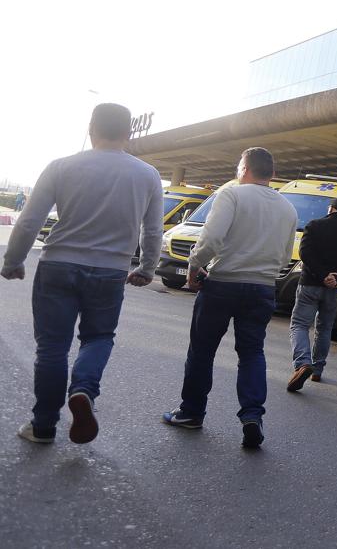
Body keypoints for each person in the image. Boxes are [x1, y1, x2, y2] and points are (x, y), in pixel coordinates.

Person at [2, 103, 163, 445]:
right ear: (129, 132)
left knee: (51, 349)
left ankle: (43, 426)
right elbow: (152, 231)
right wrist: (147, 268)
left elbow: (30, 220)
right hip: (111, 271)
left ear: (92, 128)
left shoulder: (61, 166)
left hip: (58, 264)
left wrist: (13, 261)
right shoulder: (147, 174)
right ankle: (84, 390)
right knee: (99, 338)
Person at [161, 148, 297, 449]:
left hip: (223, 284)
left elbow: (211, 238)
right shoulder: (288, 208)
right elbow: (286, 255)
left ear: (244, 169)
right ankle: (252, 416)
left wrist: (194, 267)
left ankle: (191, 413)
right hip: (262, 288)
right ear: (271, 173)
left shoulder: (232, 195)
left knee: (202, 351)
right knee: (251, 353)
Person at [286, 197, 337, 391]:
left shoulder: (314, 226)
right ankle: (317, 370)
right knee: (325, 327)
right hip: (334, 289)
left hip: (310, 284)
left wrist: (322, 275)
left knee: (299, 325)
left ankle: (303, 363)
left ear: (331, 209)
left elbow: (305, 254)